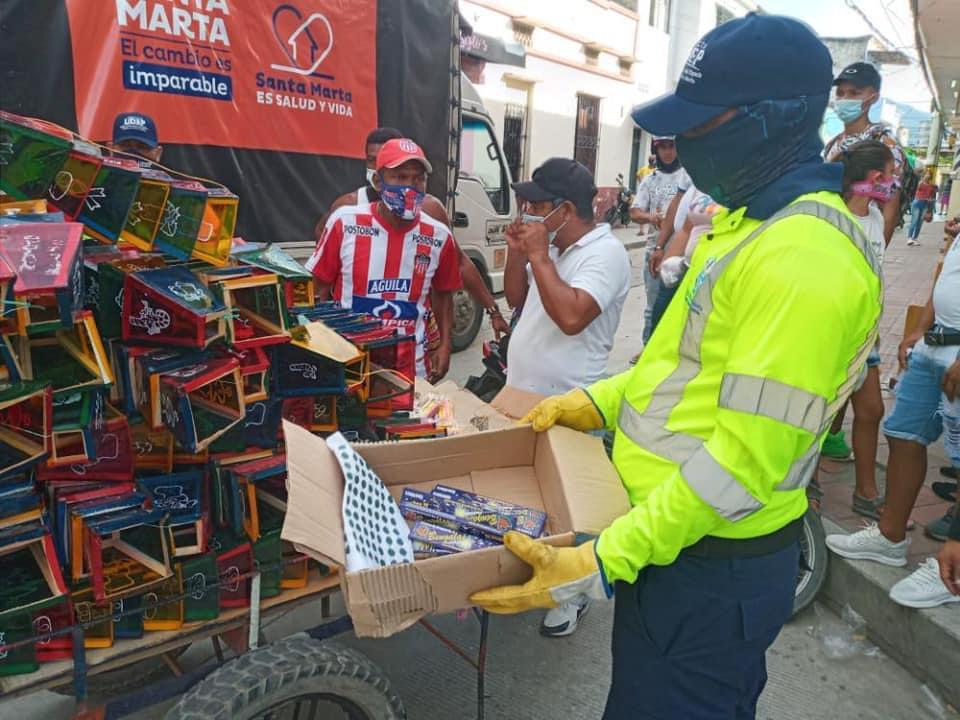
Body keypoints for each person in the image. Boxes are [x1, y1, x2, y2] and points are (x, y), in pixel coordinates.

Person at [470, 14, 882, 719]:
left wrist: (603, 559)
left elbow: (743, 465)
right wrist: (593, 403)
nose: (683, 144)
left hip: (712, 563)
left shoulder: (802, 259)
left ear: (770, 121)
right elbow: (680, 369)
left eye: (700, 123)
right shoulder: (747, 225)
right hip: (672, 541)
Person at [504, 157, 631, 636]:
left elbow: (573, 317)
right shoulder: (553, 247)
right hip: (524, 393)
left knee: (569, 505)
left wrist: (539, 256)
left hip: (572, 402)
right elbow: (517, 300)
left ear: (566, 210)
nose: (528, 213)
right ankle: (539, 570)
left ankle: (572, 595)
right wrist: (518, 254)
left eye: (537, 206)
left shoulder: (605, 254)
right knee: (531, 496)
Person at [826, 211, 960, 604]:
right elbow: (949, 278)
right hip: (936, 343)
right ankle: (890, 536)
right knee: (903, 433)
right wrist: (921, 328)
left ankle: (953, 571)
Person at [315, 127, 510, 340]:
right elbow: (321, 269)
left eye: (414, 175)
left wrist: (492, 310)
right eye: (372, 160)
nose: (408, 184)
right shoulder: (347, 210)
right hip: (353, 339)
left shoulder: (431, 211)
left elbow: (459, 264)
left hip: (410, 340)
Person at [307, 139, 462, 382]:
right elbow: (318, 289)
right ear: (378, 182)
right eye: (400, 177)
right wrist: (319, 344)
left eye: (418, 179)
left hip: (413, 369)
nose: (410, 187)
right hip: (348, 363)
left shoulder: (439, 236)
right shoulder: (344, 222)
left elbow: (443, 294)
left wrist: (444, 345)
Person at [820, 141, 897, 522]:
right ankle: (805, 486)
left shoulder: (875, 218)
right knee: (817, 414)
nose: (894, 182)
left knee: (871, 411)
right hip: (830, 334)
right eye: (891, 175)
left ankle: (866, 492)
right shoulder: (828, 214)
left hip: (864, 336)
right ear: (876, 177)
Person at [825, 62, 906, 247]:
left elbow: (890, 208)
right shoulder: (833, 144)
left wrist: (875, 254)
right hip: (829, 235)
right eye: (840, 93)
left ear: (873, 97)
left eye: (854, 93)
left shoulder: (884, 145)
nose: (844, 99)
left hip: (860, 240)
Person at [628, 137, 689, 344]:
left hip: (683, 252)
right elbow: (635, 212)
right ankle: (648, 347)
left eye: (672, 146)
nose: (668, 152)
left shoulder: (688, 175)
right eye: (663, 147)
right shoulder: (650, 180)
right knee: (653, 305)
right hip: (656, 250)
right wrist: (651, 217)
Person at [907, 173, 938, 245]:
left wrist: (931, 201)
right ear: (923, 176)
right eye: (926, 174)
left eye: (929, 174)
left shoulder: (931, 186)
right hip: (917, 203)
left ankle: (915, 238)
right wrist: (922, 180)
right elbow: (915, 189)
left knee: (920, 223)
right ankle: (909, 238)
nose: (928, 175)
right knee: (914, 221)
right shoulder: (920, 183)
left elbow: (933, 196)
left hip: (925, 205)